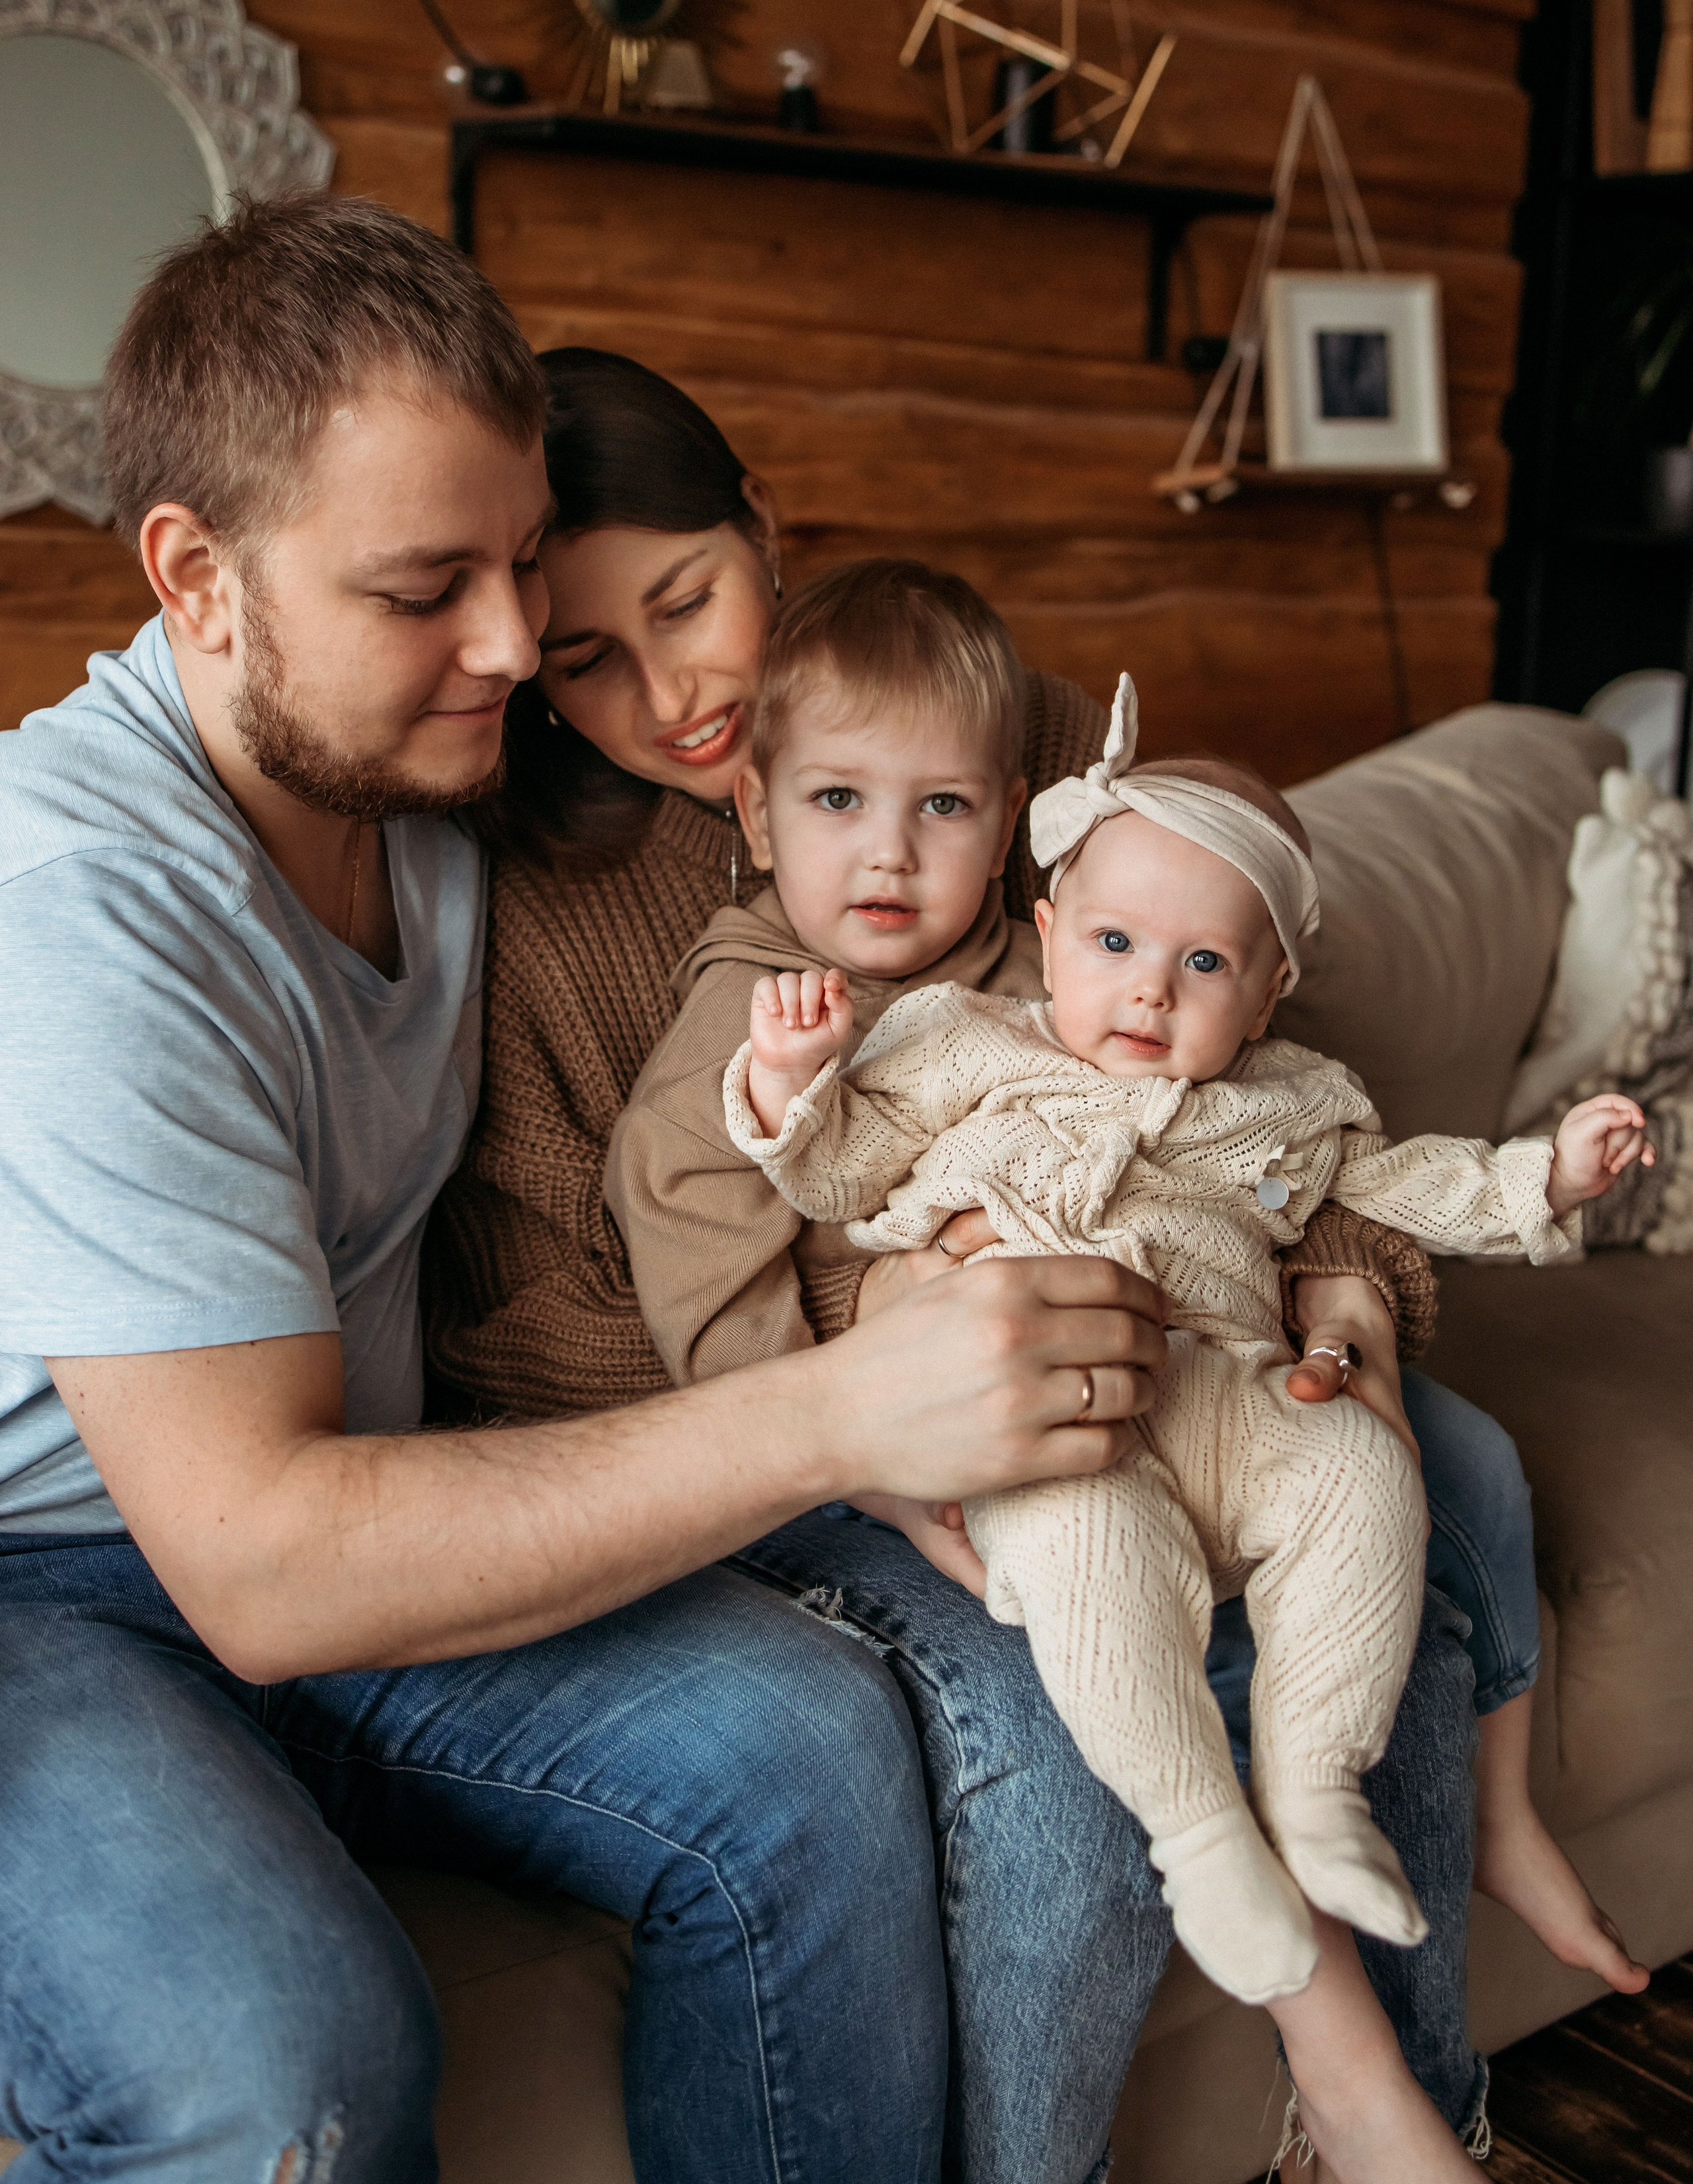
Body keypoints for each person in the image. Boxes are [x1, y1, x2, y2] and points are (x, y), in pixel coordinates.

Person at [0, 195, 1190, 2184]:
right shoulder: (83, 914)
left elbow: (984, 743)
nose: (505, 651)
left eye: (523, 565)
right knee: (287, 2064)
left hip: (361, 1505)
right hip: (57, 1577)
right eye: (423, 588)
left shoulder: (454, 787)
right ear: (196, 580)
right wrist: (837, 1405)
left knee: (812, 1753)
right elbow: (265, 1559)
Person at [429, 358, 1499, 2179]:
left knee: (1429, 1501)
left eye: (690, 600)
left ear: (764, 527)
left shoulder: (1017, 735)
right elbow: (554, 1320)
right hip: (767, 1421)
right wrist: (886, 1338)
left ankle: (1385, 2083)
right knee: (1070, 1704)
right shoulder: (552, 899)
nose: (675, 689)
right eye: (590, 655)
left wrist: (1348, 1278)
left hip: (1143, 1309)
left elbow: (1230, 1045)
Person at [706, 630, 1647, 2035]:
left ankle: (1316, 1785)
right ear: (1045, 936)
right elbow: (842, 1175)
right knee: (1081, 1549)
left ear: (1263, 994)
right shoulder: (964, 1043)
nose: (1148, 988)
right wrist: (789, 1081)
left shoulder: (1294, 1101)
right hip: (1053, 1414)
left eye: (1201, 961)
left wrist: (1545, 1178)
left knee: (1361, 1480)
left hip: (1237, 1395)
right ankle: (1200, 1836)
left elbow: (1407, 1187)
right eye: (1112, 944)